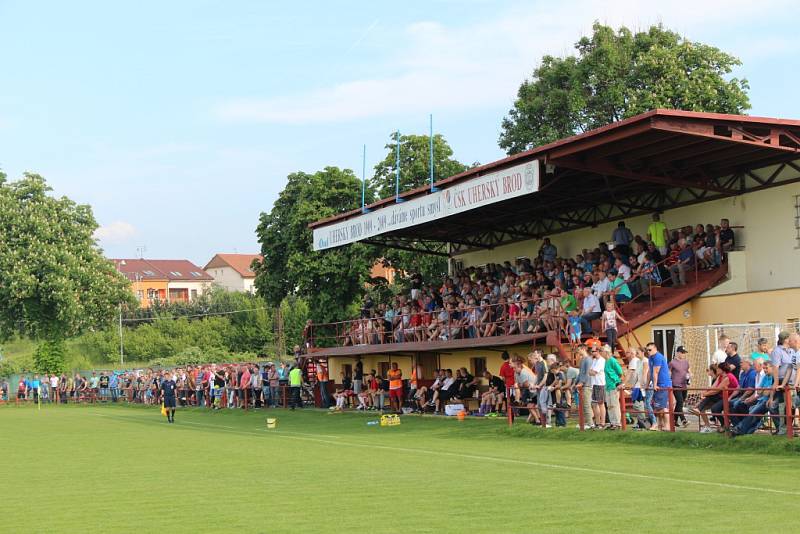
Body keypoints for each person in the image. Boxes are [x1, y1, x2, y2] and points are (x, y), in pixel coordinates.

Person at [645, 342, 672, 431]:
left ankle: (667, 426)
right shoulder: (650, 358)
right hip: (657, 385)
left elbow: (656, 372)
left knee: (664, 407)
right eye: (647, 350)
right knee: (657, 407)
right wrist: (647, 384)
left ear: (655, 349)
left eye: (650, 350)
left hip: (663, 385)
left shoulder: (658, 357)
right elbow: (650, 372)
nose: (648, 351)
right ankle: (660, 425)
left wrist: (655, 385)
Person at [669, 346, 691, 427]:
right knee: (680, 402)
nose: (683, 354)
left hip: (684, 385)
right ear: (677, 352)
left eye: (684, 352)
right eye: (682, 352)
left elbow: (689, 371)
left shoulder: (686, 362)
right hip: (676, 385)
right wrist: (669, 383)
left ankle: (674, 421)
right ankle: (683, 420)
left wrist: (689, 377)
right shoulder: (672, 362)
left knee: (679, 404)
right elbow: (669, 373)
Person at [603, 345, 623, 430]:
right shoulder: (605, 361)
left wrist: (618, 382)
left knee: (615, 404)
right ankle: (612, 422)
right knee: (609, 405)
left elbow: (620, 372)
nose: (601, 353)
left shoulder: (612, 361)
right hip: (607, 386)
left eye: (602, 351)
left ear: (606, 352)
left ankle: (617, 423)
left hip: (614, 385)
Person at [588, 346, 606, 429]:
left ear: (598, 351)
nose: (592, 353)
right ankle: (597, 422)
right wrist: (591, 371)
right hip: (594, 384)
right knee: (594, 404)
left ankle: (602, 423)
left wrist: (591, 371)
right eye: (591, 351)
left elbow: (594, 372)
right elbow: (590, 372)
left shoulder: (602, 360)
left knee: (601, 404)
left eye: (593, 351)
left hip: (600, 384)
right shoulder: (594, 360)